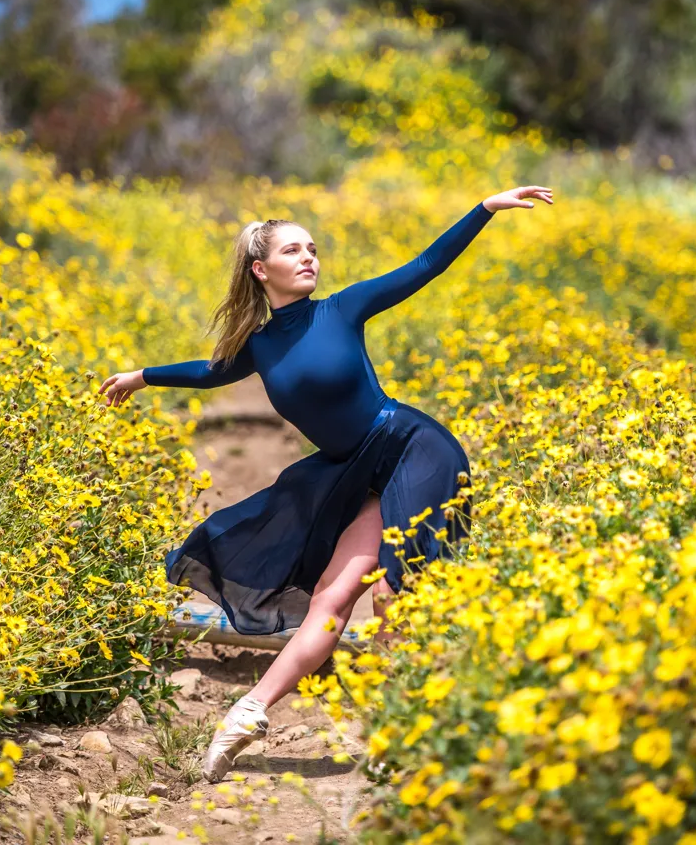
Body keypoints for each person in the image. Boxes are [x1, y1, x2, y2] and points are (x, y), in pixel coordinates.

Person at [99, 186, 554, 781]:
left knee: (394, 595)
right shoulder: (259, 346)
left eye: (313, 248)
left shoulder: (342, 309)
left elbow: (424, 265)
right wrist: (141, 376)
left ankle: (402, 728)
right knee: (330, 602)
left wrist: (486, 208)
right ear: (262, 269)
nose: (310, 257)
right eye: (294, 250)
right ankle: (246, 713)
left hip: (416, 449)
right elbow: (209, 373)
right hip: (357, 466)